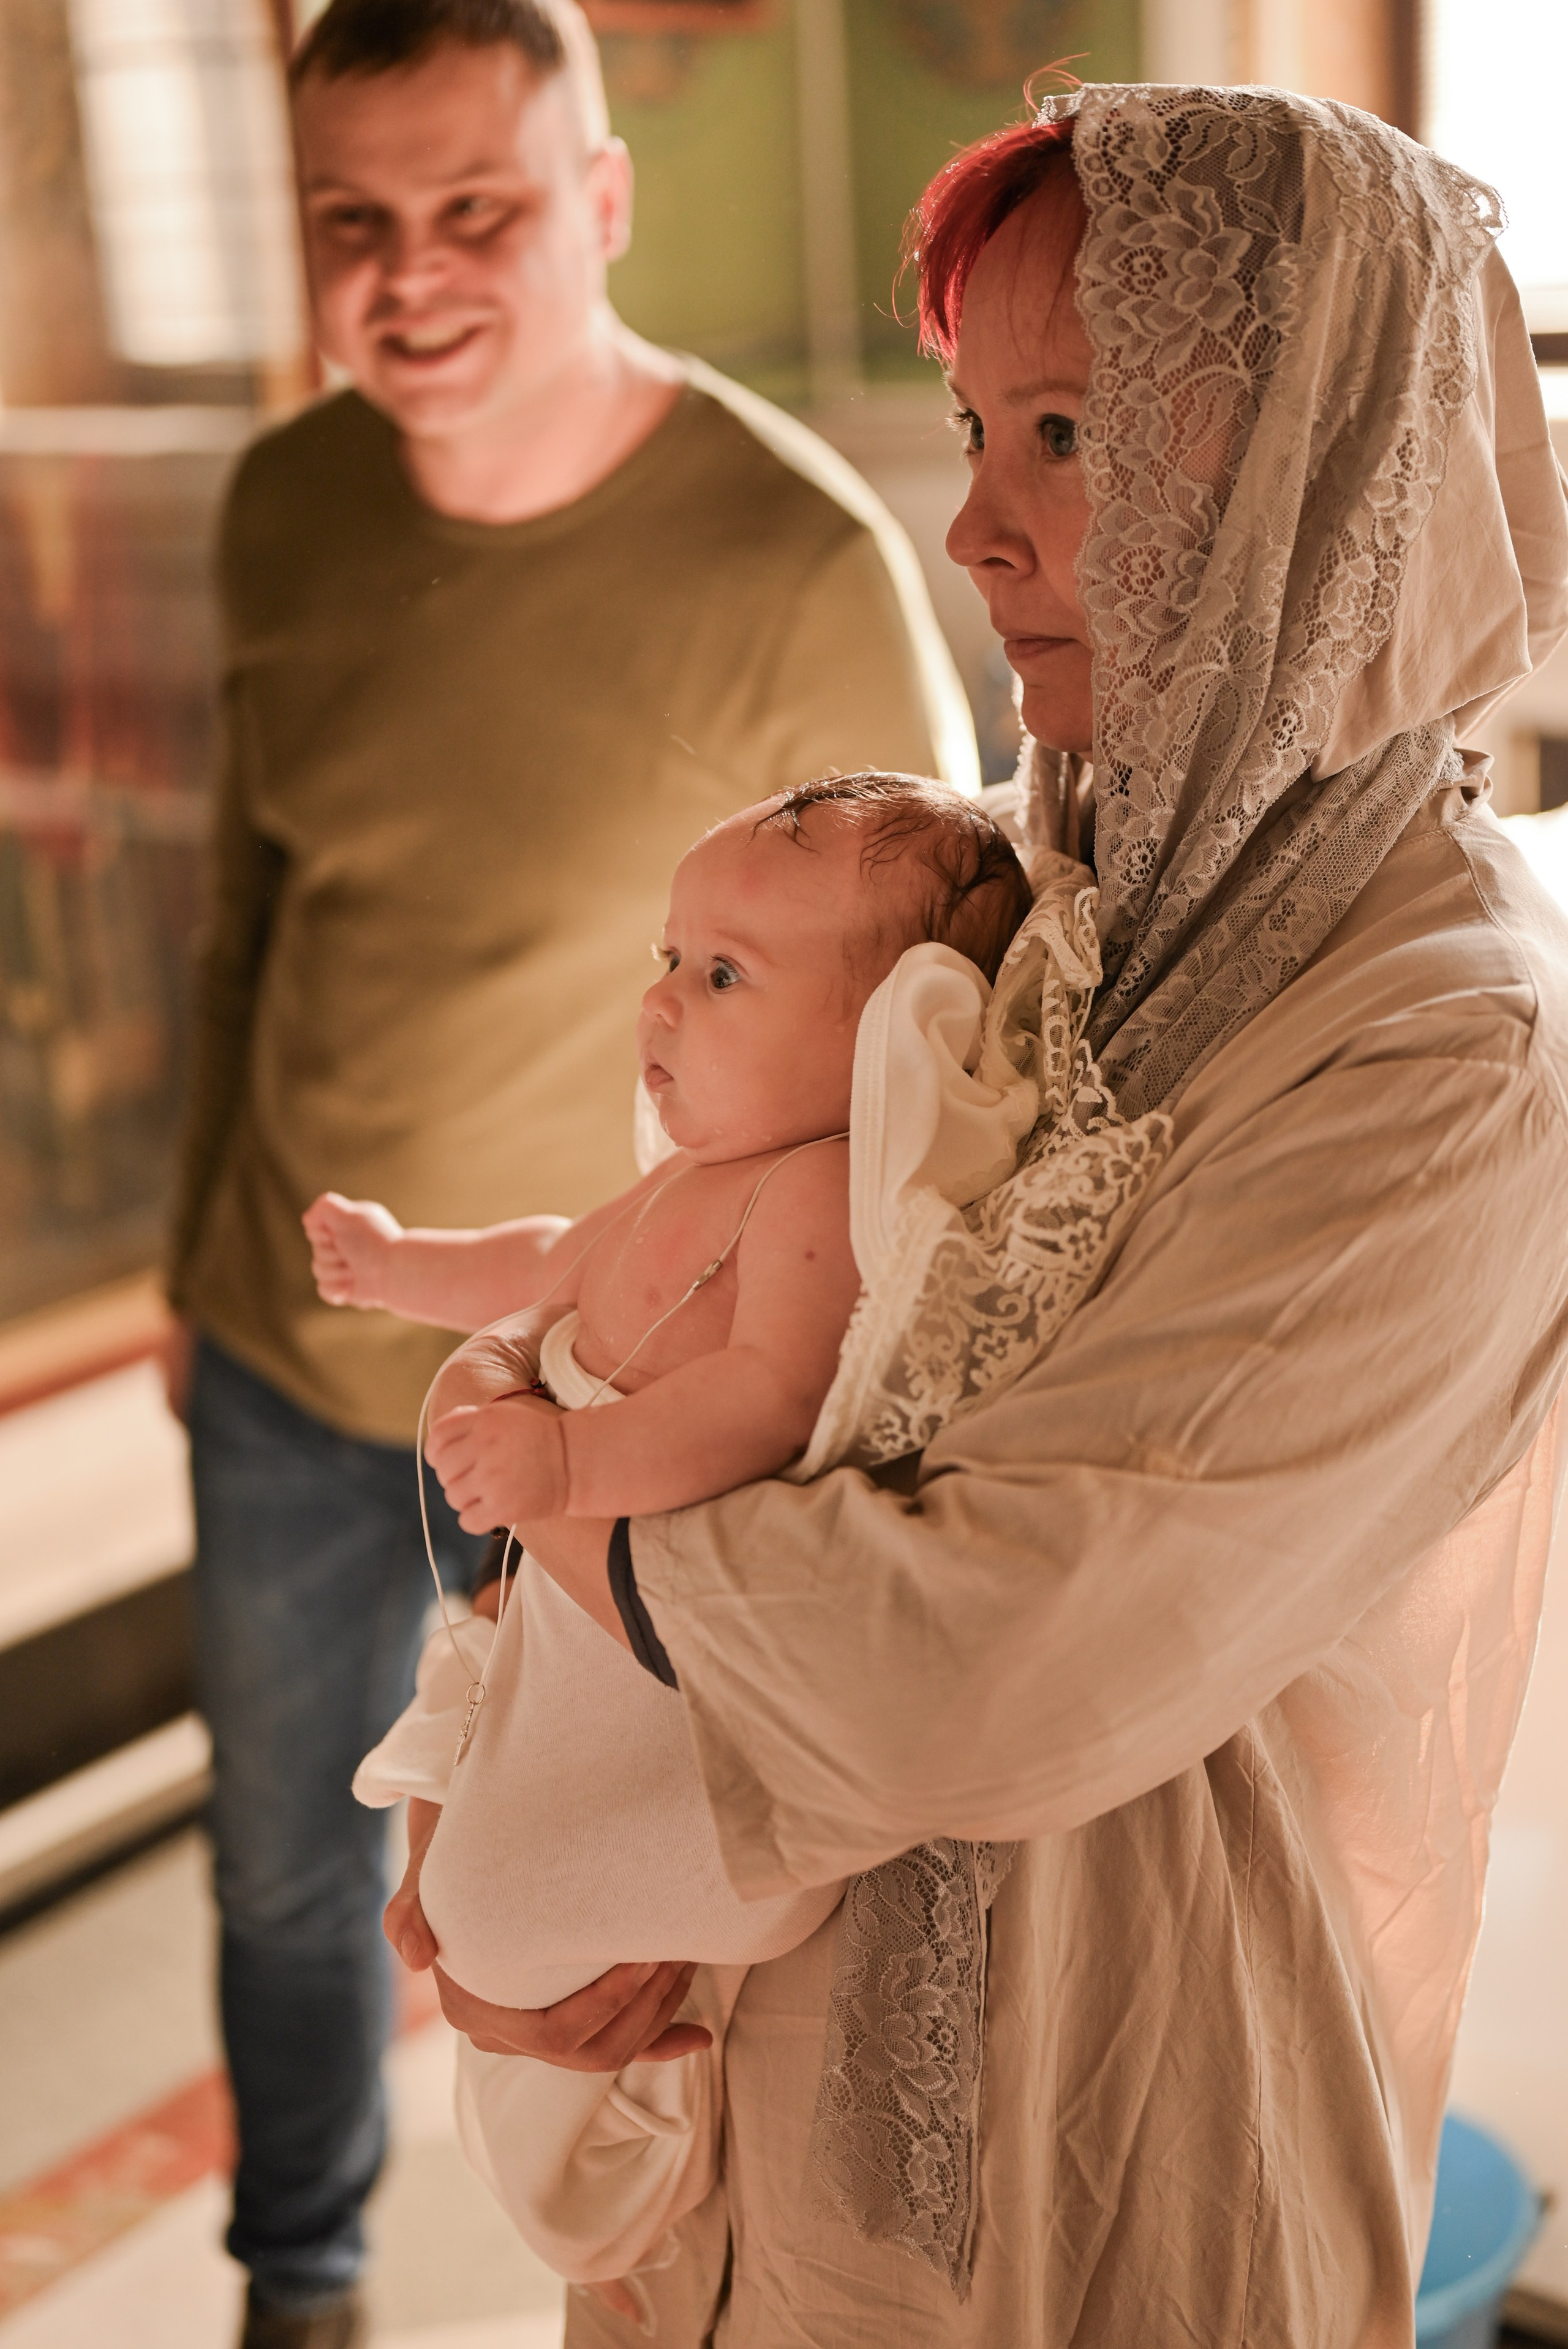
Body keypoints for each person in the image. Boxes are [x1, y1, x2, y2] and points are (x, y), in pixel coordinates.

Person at [417, 85, 1568, 2348]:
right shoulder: (1012, 888)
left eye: (1075, 431)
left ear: (1333, 471)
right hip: (736, 2056)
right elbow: (659, 1280)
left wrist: (558, 1505)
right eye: (974, 423)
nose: (972, 524)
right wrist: (495, 1810)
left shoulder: (1450, 1061)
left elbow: (999, 1652)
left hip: (1116, 2118)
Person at [161, 0, 975, 2339]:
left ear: (601, 202)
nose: (410, 275)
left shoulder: (795, 561)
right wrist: (197, 1274)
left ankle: (649, 2273)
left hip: (616, 1415)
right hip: (277, 1357)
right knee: (283, 1883)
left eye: (478, 211)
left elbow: (920, 1064)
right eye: (355, 222)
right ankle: (296, 2285)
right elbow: (247, 914)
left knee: (572, 1924)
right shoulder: (277, 503)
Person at [300, 776, 1052, 2306]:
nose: (663, 998)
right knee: (462, 1871)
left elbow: (763, 1400)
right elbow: (540, 1264)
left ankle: (625, 2077)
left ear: (875, 1032)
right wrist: (399, 1267)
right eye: (666, 954)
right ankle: (593, 2107)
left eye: (722, 975)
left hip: (668, 1684)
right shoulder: (690, 1181)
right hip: (569, 1631)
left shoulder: (813, 1197)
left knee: (490, 1916)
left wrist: (568, 1456)